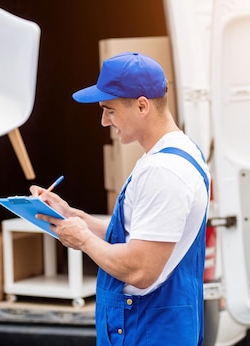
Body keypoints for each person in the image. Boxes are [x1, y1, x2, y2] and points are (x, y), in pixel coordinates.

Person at [33, 52, 210, 345]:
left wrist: (83, 241)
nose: (104, 121)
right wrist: (73, 216)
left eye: (110, 110)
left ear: (142, 105)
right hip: (156, 325)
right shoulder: (180, 152)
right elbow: (138, 234)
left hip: (147, 329)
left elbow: (140, 269)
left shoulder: (164, 171)